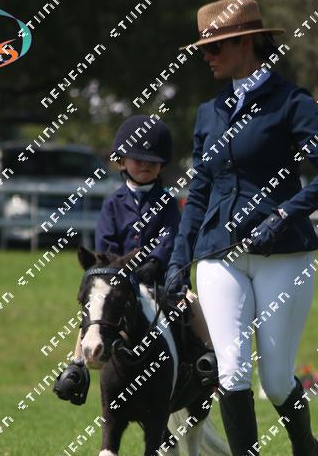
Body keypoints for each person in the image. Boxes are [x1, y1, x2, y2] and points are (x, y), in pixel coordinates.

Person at [165, 0, 318, 456]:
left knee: (276, 379)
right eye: (203, 50)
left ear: (246, 43)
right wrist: (179, 259)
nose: (207, 57)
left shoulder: (292, 102)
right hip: (217, 254)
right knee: (231, 369)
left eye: (215, 48)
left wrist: (287, 211)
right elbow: (200, 193)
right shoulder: (208, 113)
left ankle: (306, 455)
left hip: (282, 254)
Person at [54, 115, 211, 405]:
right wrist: (122, 269)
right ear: (122, 162)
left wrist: (156, 262)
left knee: (190, 302)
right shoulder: (112, 204)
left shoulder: (167, 202)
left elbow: (171, 238)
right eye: (138, 159)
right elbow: (106, 245)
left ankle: (207, 359)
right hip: (120, 282)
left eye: (152, 161)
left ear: (161, 164)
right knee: (95, 311)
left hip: (161, 280)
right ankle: (77, 366)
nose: (145, 165)